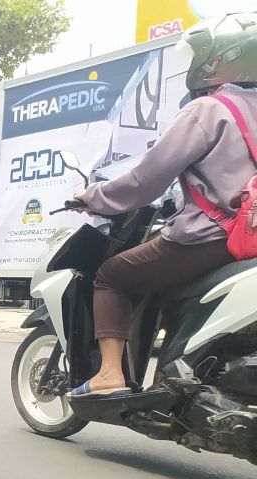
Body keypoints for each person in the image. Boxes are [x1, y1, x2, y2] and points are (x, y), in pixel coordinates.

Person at [70, 13, 257, 397]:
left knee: (111, 276)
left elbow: (145, 180)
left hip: (214, 238)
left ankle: (109, 375)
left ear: (221, 58)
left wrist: (93, 198)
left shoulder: (208, 110)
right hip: (246, 241)